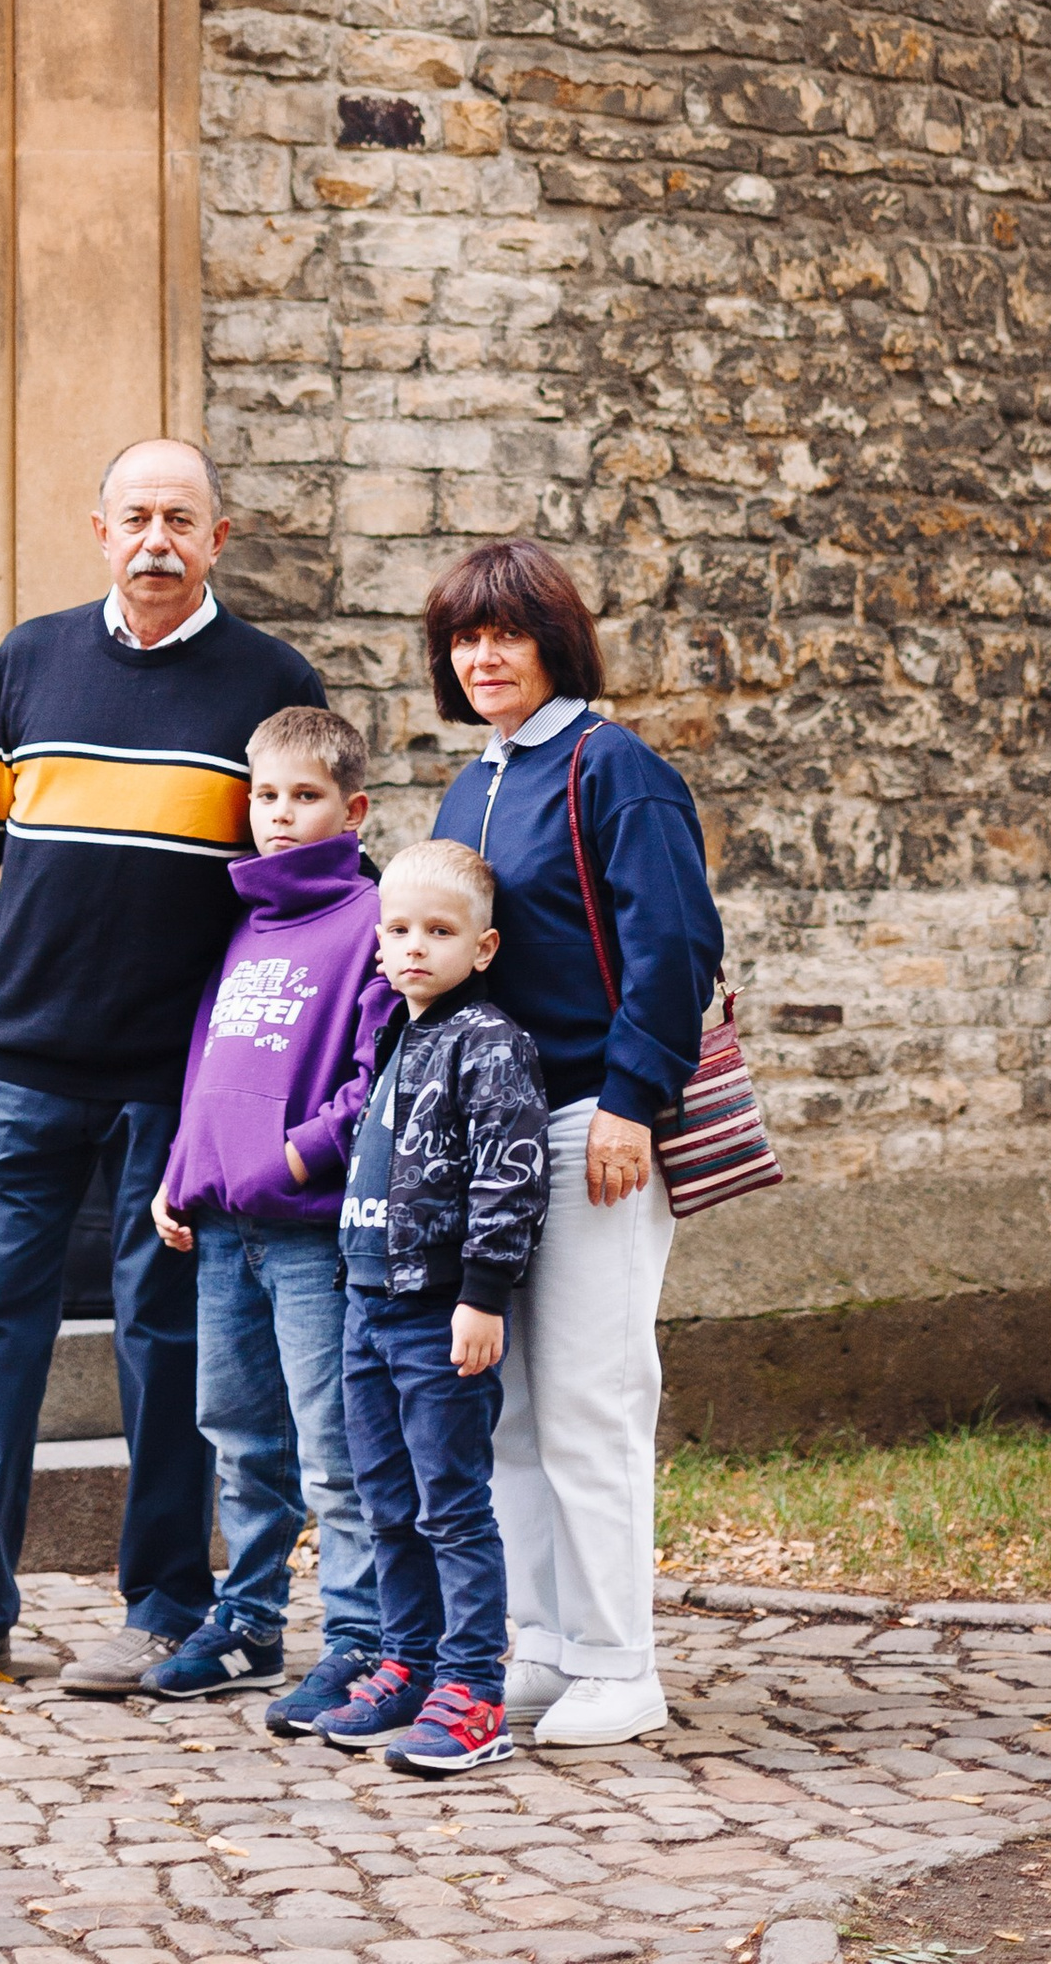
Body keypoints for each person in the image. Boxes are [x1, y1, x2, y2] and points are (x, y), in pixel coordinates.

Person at [0, 438, 322, 1698]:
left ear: (217, 539)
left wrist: (266, 1061)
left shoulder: (268, 681)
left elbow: (297, 882)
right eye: (134, 516)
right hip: (17, 1067)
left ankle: (163, 1607)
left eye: (180, 520)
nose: (156, 541)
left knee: (168, 1342)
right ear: (97, 529)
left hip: (177, 1086)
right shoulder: (26, 662)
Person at [426, 538, 722, 1750]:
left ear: (556, 639)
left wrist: (628, 1101)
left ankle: (621, 1663)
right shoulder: (470, 786)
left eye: (507, 632)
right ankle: (544, 1645)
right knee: (508, 1410)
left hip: (587, 1127)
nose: (484, 655)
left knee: (593, 1400)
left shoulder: (617, 771)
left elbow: (676, 950)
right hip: (489, 1136)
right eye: (464, 636)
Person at [145, 704, 388, 1727]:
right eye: (266, 797)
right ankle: (246, 1622)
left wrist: (297, 1154)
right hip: (222, 1229)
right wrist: (178, 1171)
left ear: (352, 808)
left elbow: (379, 1078)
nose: (279, 818)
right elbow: (209, 1063)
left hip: (310, 1233)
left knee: (330, 1447)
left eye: (304, 797)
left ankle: (360, 1639)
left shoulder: (373, 919)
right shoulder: (247, 921)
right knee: (239, 1436)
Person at [313, 837, 550, 1777]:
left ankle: (472, 1690)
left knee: (451, 1505)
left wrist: (483, 1295)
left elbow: (510, 1176)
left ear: (482, 949)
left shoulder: (492, 1046)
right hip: (364, 1303)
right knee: (385, 1502)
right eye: (399, 929)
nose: (415, 947)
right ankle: (407, 1662)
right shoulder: (395, 1035)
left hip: (437, 1309)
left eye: (439, 932)